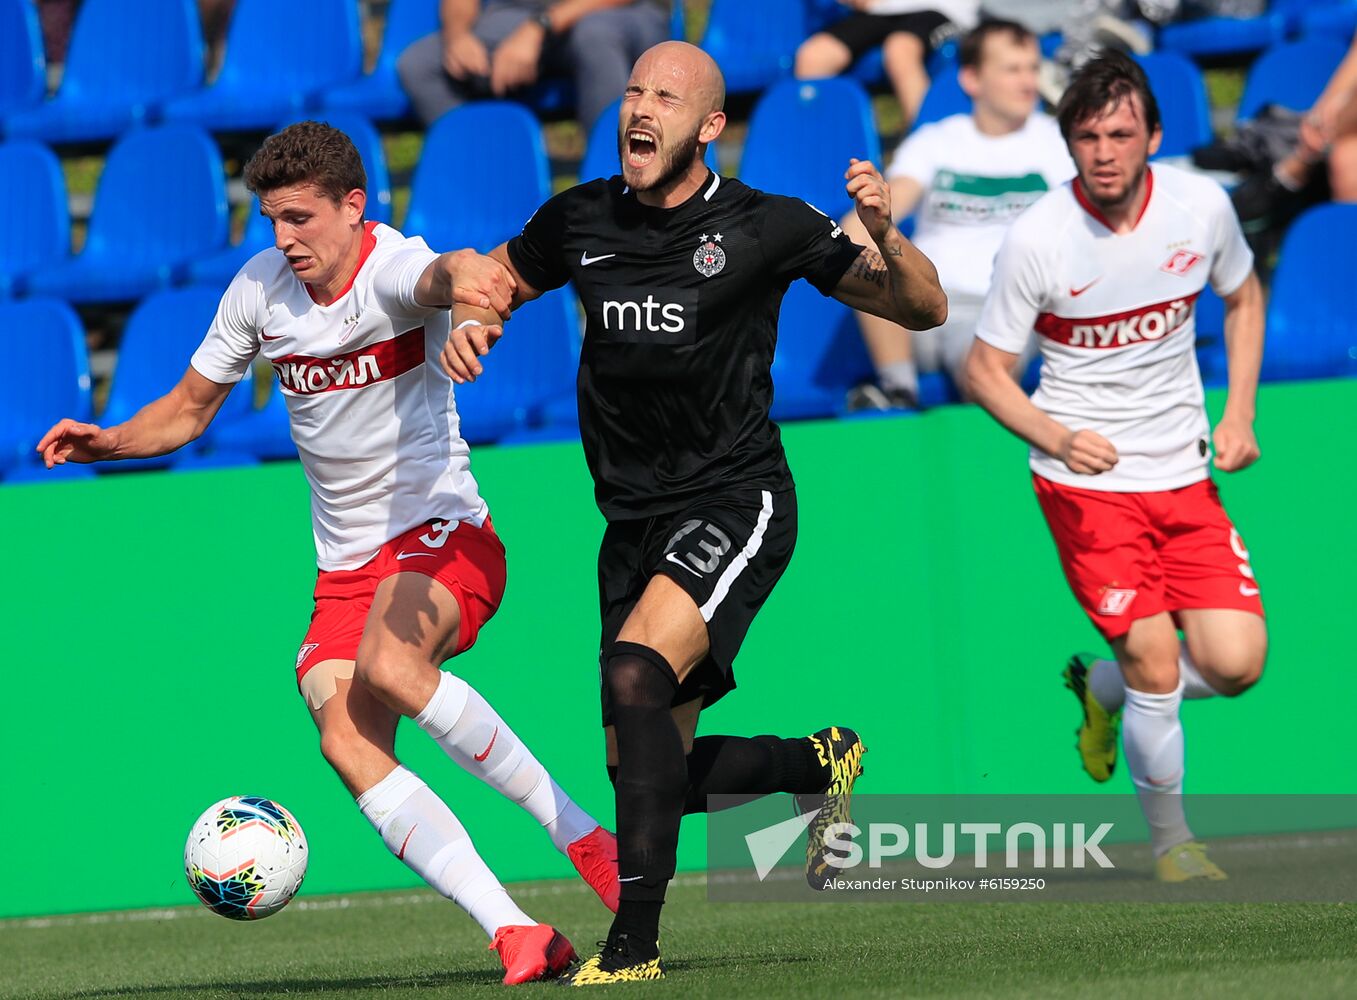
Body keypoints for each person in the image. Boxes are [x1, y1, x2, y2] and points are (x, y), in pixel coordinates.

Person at [36, 121, 618, 985]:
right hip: (346, 570)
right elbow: (192, 409)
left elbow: (457, 269)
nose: (285, 238)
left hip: (444, 535)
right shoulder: (259, 290)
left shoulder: (389, 269)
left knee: (387, 665)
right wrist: (110, 441)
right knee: (343, 736)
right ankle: (515, 932)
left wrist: (466, 307)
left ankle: (579, 833)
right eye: (272, 219)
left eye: (301, 218)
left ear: (354, 206)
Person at [441, 40, 947, 983]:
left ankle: (633, 944)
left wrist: (888, 233)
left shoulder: (767, 225)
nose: (639, 107)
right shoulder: (580, 216)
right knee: (646, 780)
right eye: (632, 89)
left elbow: (922, 310)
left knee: (636, 672)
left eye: (665, 96)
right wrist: (479, 318)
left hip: (735, 496)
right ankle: (815, 763)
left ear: (708, 125)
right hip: (630, 520)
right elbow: (507, 275)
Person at [966, 52, 1267, 883]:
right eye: (1087, 136)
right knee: (1158, 665)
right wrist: (1056, 436)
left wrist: (1237, 411)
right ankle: (1174, 844)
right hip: (1088, 487)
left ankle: (1099, 687)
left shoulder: (1199, 207)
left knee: (1237, 665)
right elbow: (984, 370)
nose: (1103, 151)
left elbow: (1242, 298)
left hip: (1184, 474)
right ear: (1068, 144)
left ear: (1152, 138)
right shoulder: (1037, 238)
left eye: (1120, 134)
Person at [838, 18, 1074, 410]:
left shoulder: (1056, 140)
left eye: (1033, 68)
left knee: (982, 369)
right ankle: (898, 391)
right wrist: (876, 210)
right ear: (972, 79)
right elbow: (892, 201)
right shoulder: (937, 140)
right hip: (924, 301)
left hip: (1002, 309)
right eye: (1012, 69)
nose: (1028, 81)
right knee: (857, 231)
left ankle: (908, 406)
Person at [396, 0, 670, 130]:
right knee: (419, 64)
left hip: (618, 12)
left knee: (593, 37)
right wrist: (457, 36)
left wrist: (538, 27)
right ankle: (488, 173)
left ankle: (618, 177)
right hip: (514, 18)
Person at [794, 0, 979, 129]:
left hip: (939, 8)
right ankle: (826, 147)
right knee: (813, 57)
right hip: (880, 10)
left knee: (900, 51)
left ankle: (927, 141)